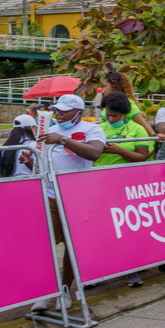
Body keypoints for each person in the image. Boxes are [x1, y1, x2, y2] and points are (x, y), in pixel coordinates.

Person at [20, 94, 104, 312]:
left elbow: (95, 152)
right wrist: (30, 162)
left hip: (76, 196)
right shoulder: (47, 129)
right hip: (49, 194)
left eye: (64, 110)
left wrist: (64, 140)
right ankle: (45, 292)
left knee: (71, 245)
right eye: (57, 109)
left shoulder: (91, 129)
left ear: (79, 112)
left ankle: (65, 290)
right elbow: (41, 167)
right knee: (45, 245)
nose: (58, 113)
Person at [95, 91, 154, 284]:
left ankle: (132, 269)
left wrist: (119, 150)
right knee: (103, 229)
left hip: (127, 185)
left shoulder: (137, 129)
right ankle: (100, 270)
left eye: (116, 116)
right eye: (109, 115)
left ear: (124, 115)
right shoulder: (97, 128)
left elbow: (143, 156)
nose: (111, 119)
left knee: (127, 228)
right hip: (99, 184)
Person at [101, 71, 155, 136]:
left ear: (115, 86)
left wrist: (155, 136)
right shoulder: (108, 102)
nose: (103, 89)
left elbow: (144, 124)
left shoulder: (126, 103)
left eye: (105, 86)